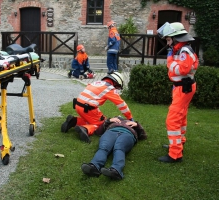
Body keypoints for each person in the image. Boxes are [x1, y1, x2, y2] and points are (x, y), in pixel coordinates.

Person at [157, 22, 199, 163]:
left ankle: (175, 154)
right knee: (180, 117)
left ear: (176, 38)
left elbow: (183, 70)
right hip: (182, 88)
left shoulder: (184, 51)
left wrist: (169, 61)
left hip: (183, 88)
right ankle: (179, 142)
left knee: (173, 119)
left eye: (169, 40)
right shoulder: (181, 50)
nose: (168, 44)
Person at [61, 71, 134, 143]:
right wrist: (130, 118)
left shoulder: (97, 83)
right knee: (101, 124)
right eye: (117, 86)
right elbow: (122, 104)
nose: (116, 88)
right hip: (88, 108)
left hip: (78, 105)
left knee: (91, 120)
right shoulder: (110, 88)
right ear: (115, 82)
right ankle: (85, 129)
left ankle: (74, 121)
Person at [81, 116, 147, 180]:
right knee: (103, 147)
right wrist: (108, 121)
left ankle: (116, 170)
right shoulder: (112, 122)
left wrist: (137, 124)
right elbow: (98, 131)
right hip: (111, 132)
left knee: (119, 147)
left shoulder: (132, 124)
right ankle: (94, 167)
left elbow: (143, 136)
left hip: (127, 134)